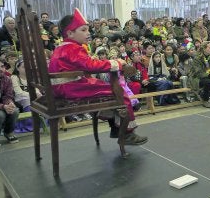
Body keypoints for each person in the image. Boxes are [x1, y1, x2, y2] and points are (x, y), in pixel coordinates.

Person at [48, 9, 148, 145]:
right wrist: (116, 63)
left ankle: (116, 127)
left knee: (107, 88)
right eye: (83, 30)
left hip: (61, 87)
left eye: (87, 29)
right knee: (118, 92)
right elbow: (90, 65)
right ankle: (126, 133)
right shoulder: (73, 48)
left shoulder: (62, 47)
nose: (88, 33)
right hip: (70, 88)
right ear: (70, 33)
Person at [0, 57, 19, 148]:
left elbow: (8, 96)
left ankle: (9, 132)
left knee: (15, 111)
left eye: (2, 66)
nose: (1, 69)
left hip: (0, 104)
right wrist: (3, 107)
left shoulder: (7, 79)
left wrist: (9, 104)